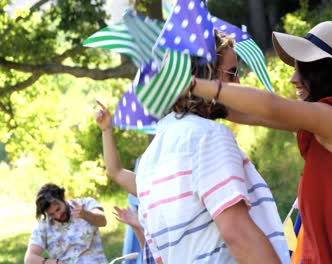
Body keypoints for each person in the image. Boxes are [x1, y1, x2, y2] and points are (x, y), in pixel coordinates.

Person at [188, 21, 332, 263]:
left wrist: (195, 85)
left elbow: (272, 107)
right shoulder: (323, 124)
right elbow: (255, 115)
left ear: (322, 73)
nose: (293, 78)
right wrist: (199, 105)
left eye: (302, 69)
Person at [96, 30, 290, 263]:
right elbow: (238, 234)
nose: (238, 84)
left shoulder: (150, 159)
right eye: (232, 73)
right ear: (205, 76)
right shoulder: (208, 136)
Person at [24, 183, 108, 264]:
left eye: (58, 209)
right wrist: (54, 263)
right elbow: (29, 259)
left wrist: (85, 214)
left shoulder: (86, 204)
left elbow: (102, 221)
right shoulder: (43, 225)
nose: (58, 216)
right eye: (51, 214)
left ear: (63, 197)